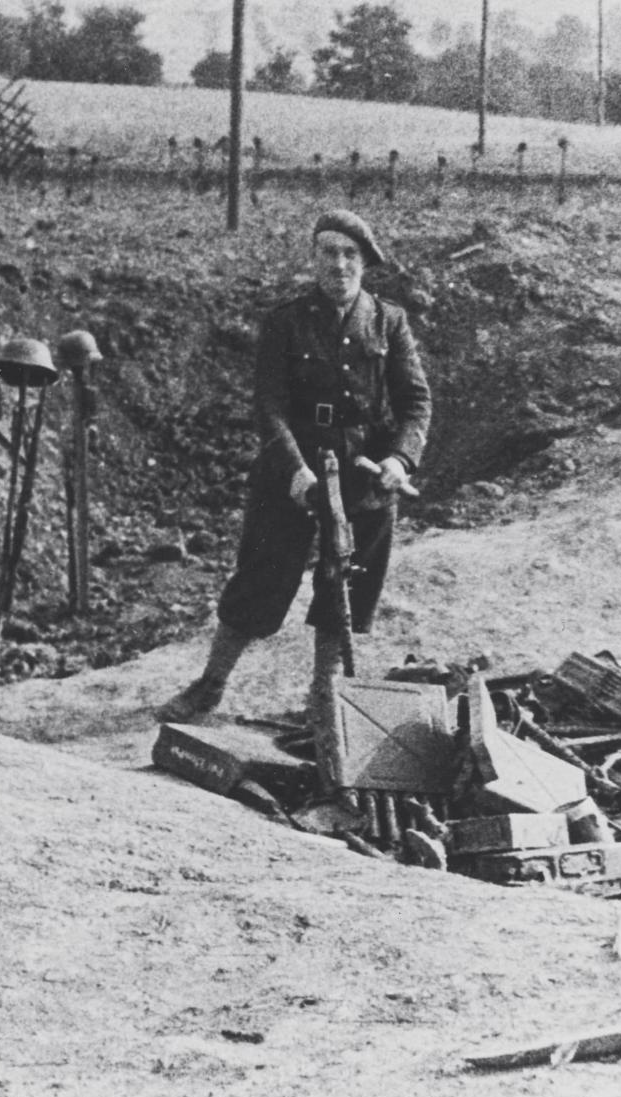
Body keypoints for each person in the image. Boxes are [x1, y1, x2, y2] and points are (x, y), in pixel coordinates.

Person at [158, 209, 431, 732]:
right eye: (328, 252)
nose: (339, 264)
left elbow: (416, 401)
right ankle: (211, 683)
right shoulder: (286, 321)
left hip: (363, 474)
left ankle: (323, 697)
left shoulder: (388, 321)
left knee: (346, 587)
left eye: (350, 254)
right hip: (293, 469)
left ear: (365, 263)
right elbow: (270, 406)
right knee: (261, 578)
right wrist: (295, 472)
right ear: (313, 259)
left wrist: (400, 459)